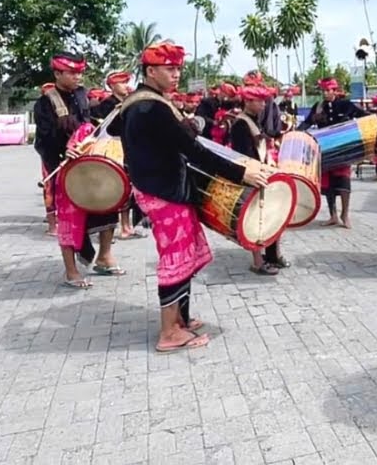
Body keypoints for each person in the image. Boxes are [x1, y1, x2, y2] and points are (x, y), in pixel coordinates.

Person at [110, 42, 271, 352]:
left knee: (187, 254)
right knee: (176, 258)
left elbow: (119, 128)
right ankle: (169, 332)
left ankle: (180, 318)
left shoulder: (138, 101)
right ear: (150, 71)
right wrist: (242, 174)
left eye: (178, 68)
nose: (176, 74)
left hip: (157, 187)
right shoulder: (152, 106)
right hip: (163, 191)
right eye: (170, 69)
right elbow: (195, 151)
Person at [32, 53, 124, 288]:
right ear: (57, 74)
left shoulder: (82, 95)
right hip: (65, 167)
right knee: (70, 219)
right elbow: (42, 142)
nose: (77, 77)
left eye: (80, 72)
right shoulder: (44, 104)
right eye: (72, 73)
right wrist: (65, 150)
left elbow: (90, 124)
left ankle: (104, 257)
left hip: (90, 163)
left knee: (108, 205)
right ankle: (71, 271)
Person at [228, 83, 291, 275]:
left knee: (274, 214)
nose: (264, 105)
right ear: (248, 101)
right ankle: (257, 261)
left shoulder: (255, 119)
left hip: (263, 171)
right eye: (260, 101)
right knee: (255, 219)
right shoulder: (241, 123)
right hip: (252, 175)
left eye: (264, 101)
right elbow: (243, 155)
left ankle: (273, 255)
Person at [303, 78, 363, 227]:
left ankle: (345, 214)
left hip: (343, 150)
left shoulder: (346, 105)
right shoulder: (318, 107)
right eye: (323, 90)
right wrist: (294, 132)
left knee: (344, 182)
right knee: (328, 185)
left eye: (328, 90)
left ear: (335, 91)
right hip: (325, 150)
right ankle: (333, 215)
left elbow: (363, 114)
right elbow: (307, 123)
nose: (325, 93)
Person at [92, 71, 144, 240]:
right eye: (121, 82)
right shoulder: (107, 105)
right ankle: (119, 228)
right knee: (118, 187)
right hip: (112, 149)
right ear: (112, 85)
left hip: (128, 149)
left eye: (126, 82)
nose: (125, 85)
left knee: (129, 188)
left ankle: (127, 225)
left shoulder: (127, 102)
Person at [38, 82, 59, 236]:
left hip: (68, 152)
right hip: (49, 154)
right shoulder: (41, 108)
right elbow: (44, 136)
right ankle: (52, 225)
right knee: (50, 187)